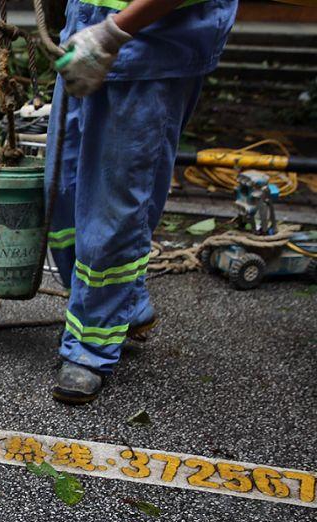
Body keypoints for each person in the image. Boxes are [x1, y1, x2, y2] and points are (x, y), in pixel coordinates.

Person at [45, 0, 237, 403]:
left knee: (113, 208)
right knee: (62, 188)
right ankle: (124, 305)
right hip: (89, 29)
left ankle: (90, 348)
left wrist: (114, 33)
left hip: (151, 39)